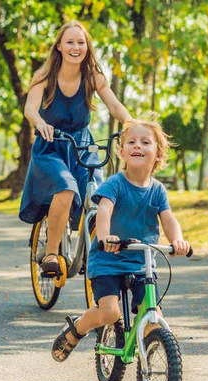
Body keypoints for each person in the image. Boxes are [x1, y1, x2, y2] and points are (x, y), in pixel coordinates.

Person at [51, 119, 191, 362]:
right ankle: (78, 328)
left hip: (141, 262)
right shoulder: (115, 183)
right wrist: (105, 236)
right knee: (109, 313)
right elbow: (104, 210)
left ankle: (153, 363)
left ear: (158, 154)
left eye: (146, 142)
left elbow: (168, 219)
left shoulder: (158, 190)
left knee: (152, 316)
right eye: (131, 142)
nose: (138, 146)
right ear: (122, 151)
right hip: (108, 259)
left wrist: (177, 240)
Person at [19, 21, 132, 277]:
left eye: (81, 42)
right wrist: (39, 123)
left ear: (87, 47)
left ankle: (93, 249)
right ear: (59, 46)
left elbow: (115, 106)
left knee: (102, 196)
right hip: (51, 147)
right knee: (66, 189)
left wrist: (132, 125)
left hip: (82, 147)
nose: (76, 47)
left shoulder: (93, 77)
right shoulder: (44, 77)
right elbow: (30, 109)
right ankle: (51, 252)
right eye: (70, 42)